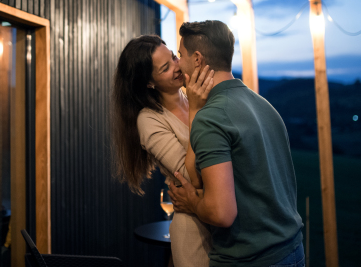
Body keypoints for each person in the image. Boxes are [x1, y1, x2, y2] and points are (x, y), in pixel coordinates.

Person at [169, 20, 305, 267]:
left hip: (251, 259)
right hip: (293, 250)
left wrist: (192, 203)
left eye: (180, 55)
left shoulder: (211, 118)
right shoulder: (265, 106)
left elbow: (221, 213)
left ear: (197, 59)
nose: (178, 63)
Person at [112, 35, 213, 266]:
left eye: (174, 58)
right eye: (166, 68)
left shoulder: (191, 96)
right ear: (149, 83)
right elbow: (189, 177)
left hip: (221, 220)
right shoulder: (149, 120)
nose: (177, 67)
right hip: (195, 231)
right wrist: (198, 109)